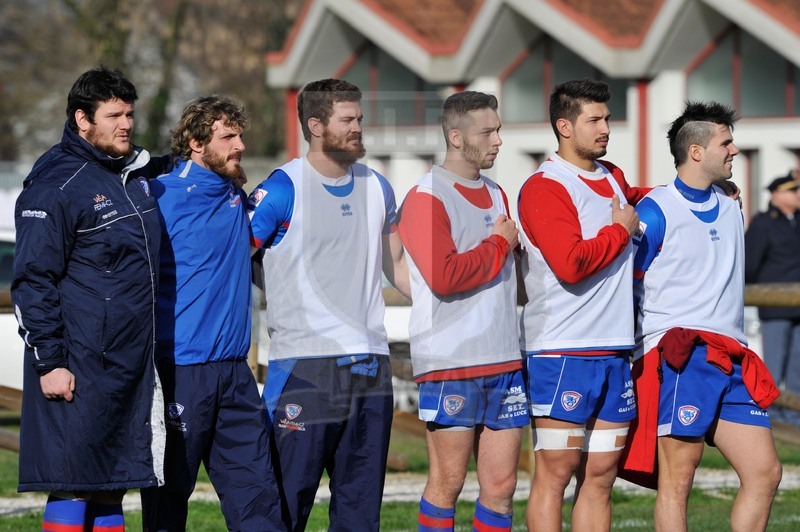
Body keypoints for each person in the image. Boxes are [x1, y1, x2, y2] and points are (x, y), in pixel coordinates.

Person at [247, 78, 409, 531]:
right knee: (284, 507)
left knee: (361, 513)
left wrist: (453, 304)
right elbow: (237, 258)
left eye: (360, 118)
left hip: (371, 366)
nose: (358, 127)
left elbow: (398, 266)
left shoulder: (378, 186)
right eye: (347, 120)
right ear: (316, 126)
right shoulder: (282, 189)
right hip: (304, 367)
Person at [11, 66, 168, 531]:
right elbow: (32, 280)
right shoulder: (56, 184)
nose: (127, 124)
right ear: (82, 119)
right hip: (77, 362)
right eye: (114, 116)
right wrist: (50, 362)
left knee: (110, 482)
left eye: (130, 115)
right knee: (73, 482)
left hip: (124, 365)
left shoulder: (127, 174)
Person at [625, 101, 782, 531]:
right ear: (696, 151)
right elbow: (627, 285)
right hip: (681, 355)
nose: (735, 150)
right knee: (678, 478)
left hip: (733, 355)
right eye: (725, 142)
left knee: (765, 472)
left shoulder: (730, 204)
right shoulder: (654, 210)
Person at [146, 96, 283, 531]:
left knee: (259, 498)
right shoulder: (160, 196)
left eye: (240, 135)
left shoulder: (233, 192)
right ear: (196, 142)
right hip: (181, 371)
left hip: (236, 374)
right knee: (168, 503)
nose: (239, 145)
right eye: (227, 137)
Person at [517, 78, 647, 531]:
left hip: (614, 349)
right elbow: (571, 264)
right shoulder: (546, 186)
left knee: (601, 476)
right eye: (594, 120)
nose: (606, 128)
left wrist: (709, 188)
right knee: (556, 474)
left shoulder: (612, 176)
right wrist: (619, 232)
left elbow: (647, 199)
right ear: (565, 127)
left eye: (607, 118)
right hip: (561, 350)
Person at [398, 91, 527, 531]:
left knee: (502, 486)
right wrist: (499, 244)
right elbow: (444, 276)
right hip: (451, 363)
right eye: (487, 132)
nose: (498, 141)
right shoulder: (425, 196)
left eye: (498, 130)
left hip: (504, 359)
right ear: (456, 137)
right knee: (448, 482)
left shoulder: (497, 192)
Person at [745, 173, 800, 425]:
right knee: (774, 367)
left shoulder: (796, 222)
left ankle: (793, 417)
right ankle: (773, 416)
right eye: (793, 191)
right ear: (777, 195)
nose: (797, 195)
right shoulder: (763, 224)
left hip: (797, 307)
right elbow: (750, 265)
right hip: (775, 307)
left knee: (797, 367)